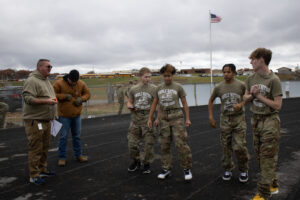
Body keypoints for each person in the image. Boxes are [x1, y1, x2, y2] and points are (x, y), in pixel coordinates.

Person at [244, 48, 282, 200]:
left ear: (261, 60)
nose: (250, 62)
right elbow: (245, 97)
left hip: (270, 121)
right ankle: (273, 184)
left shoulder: (274, 80)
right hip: (256, 120)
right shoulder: (250, 79)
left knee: (267, 157)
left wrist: (258, 95)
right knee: (261, 157)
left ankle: (264, 194)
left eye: (253, 59)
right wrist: (250, 96)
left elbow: (278, 106)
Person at [147, 64, 193, 181]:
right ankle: (166, 169)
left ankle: (186, 169)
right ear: (162, 75)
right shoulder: (159, 88)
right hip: (164, 118)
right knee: (164, 144)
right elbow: (156, 104)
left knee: (181, 144)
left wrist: (187, 118)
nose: (167, 78)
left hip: (176, 116)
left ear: (173, 75)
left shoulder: (178, 87)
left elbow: (185, 104)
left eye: (169, 75)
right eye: (165, 76)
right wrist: (152, 118)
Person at [208, 64, 249, 183]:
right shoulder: (219, 87)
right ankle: (227, 168)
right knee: (226, 146)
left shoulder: (241, 85)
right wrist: (211, 117)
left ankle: (243, 170)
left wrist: (241, 104)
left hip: (238, 119)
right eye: (224, 72)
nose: (226, 74)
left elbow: (247, 97)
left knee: (240, 146)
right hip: (225, 119)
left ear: (234, 73)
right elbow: (211, 100)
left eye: (228, 72)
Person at [23, 59, 57, 185]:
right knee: (36, 148)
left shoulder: (46, 81)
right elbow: (28, 98)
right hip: (35, 120)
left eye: (51, 66)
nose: (50, 68)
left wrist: (54, 114)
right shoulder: (32, 80)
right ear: (40, 67)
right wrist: (47, 102)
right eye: (48, 66)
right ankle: (34, 175)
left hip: (46, 119)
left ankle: (42, 169)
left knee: (45, 147)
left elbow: (50, 98)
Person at [53, 70, 91, 167]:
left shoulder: (81, 83)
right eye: (72, 81)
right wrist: (64, 96)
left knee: (77, 136)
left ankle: (79, 155)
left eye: (75, 81)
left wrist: (81, 99)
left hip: (76, 115)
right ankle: (62, 157)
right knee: (63, 137)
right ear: (68, 78)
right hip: (64, 116)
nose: (74, 83)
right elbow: (52, 96)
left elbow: (87, 94)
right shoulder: (59, 83)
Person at [127, 67, 158, 174]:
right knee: (132, 144)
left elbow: (158, 105)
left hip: (148, 118)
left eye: (149, 77)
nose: (148, 79)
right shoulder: (133, 89)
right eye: (146, 77)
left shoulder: (154, 89)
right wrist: (130, 106)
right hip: (135, 119)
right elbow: (129, 102)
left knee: (148, 143)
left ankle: (146, 163)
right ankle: (136, 161)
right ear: (140, 77)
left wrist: (157, 118)